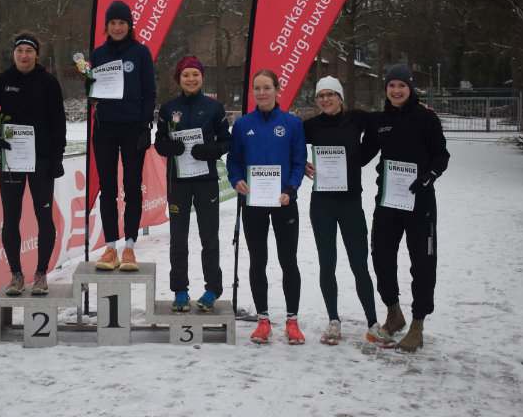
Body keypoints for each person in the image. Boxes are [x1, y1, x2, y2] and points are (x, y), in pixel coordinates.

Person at [302, 76, 395, 347]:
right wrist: (302, 164)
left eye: (330, 94)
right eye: (321, 96)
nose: (325, 99)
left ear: (341, 97)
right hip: (322, 204)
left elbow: (385, 122)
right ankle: (333, 320)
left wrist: (362, 156)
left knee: (359, 264)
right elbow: (288, 145)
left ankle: (372, 323)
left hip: (351, 203)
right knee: (327, 262)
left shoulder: (356, 119)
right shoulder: (311, 126)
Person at [363, 64, 450, 352]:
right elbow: (362, 155)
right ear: (385, 89)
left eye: (401, 85)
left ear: (410, 88)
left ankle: (417, 324)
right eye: (391, 86)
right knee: (381, 256)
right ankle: (394, 313)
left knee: (422, 262)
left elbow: (441, 155)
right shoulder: (379, 121)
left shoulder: (426, 118)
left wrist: (429, 176)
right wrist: (332, 154)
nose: (396, 90)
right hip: (388, 201)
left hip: (420, 203)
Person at [226, 69, 307, 344]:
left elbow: (298, 161)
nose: (262, 93)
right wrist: (236, 180)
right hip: (253, 202)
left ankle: (292, 321)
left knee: (288, 260)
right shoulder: (242, 124)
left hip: (284, 202)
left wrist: (290, 189)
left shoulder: (292, 123)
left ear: (277, 89)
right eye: (257, 88)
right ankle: (263, 320)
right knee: (258, 260)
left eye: (267, 87)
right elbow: (234, 160)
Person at [0, 32, 66, 297]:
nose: (24, 55)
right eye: (19, 50)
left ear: (36, 55)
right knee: (11, 218)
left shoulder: (49, 82)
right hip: (12, 160)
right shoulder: (2, 81)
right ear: (13, 53)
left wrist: (57, 158)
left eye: (29, 51)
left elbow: (58, 123)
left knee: (44, 217)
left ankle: (41, 273)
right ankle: (16, 275)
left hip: (42, 161)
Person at [154, 56, 232, 312]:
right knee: (178, 239)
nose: (191, 79)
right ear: (179, 78)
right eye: (186, 75)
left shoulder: (214, 107)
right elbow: (159, 142)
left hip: (205, 181)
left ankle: (212, 290)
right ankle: (180, 290)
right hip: (178, 181)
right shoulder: (168, 109)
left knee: (209, 237)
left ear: (202, 77)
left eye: (195, 74)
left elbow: (227, 141)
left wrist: (212, 150)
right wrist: (169, 147)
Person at [89, 0, 156, 271]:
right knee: (107, 189)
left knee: (132, 187)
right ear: (107, 26)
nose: (117, 27)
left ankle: (129, 247)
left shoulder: (140, 52)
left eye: (122, 23)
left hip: (132, 128)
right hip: (104, 127)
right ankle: (110, 248)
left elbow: (149, 91)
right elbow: (93, 93)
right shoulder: (97, 54)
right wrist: (88, 85)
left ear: (130, 26)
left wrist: (145, 125)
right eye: (113, 23)